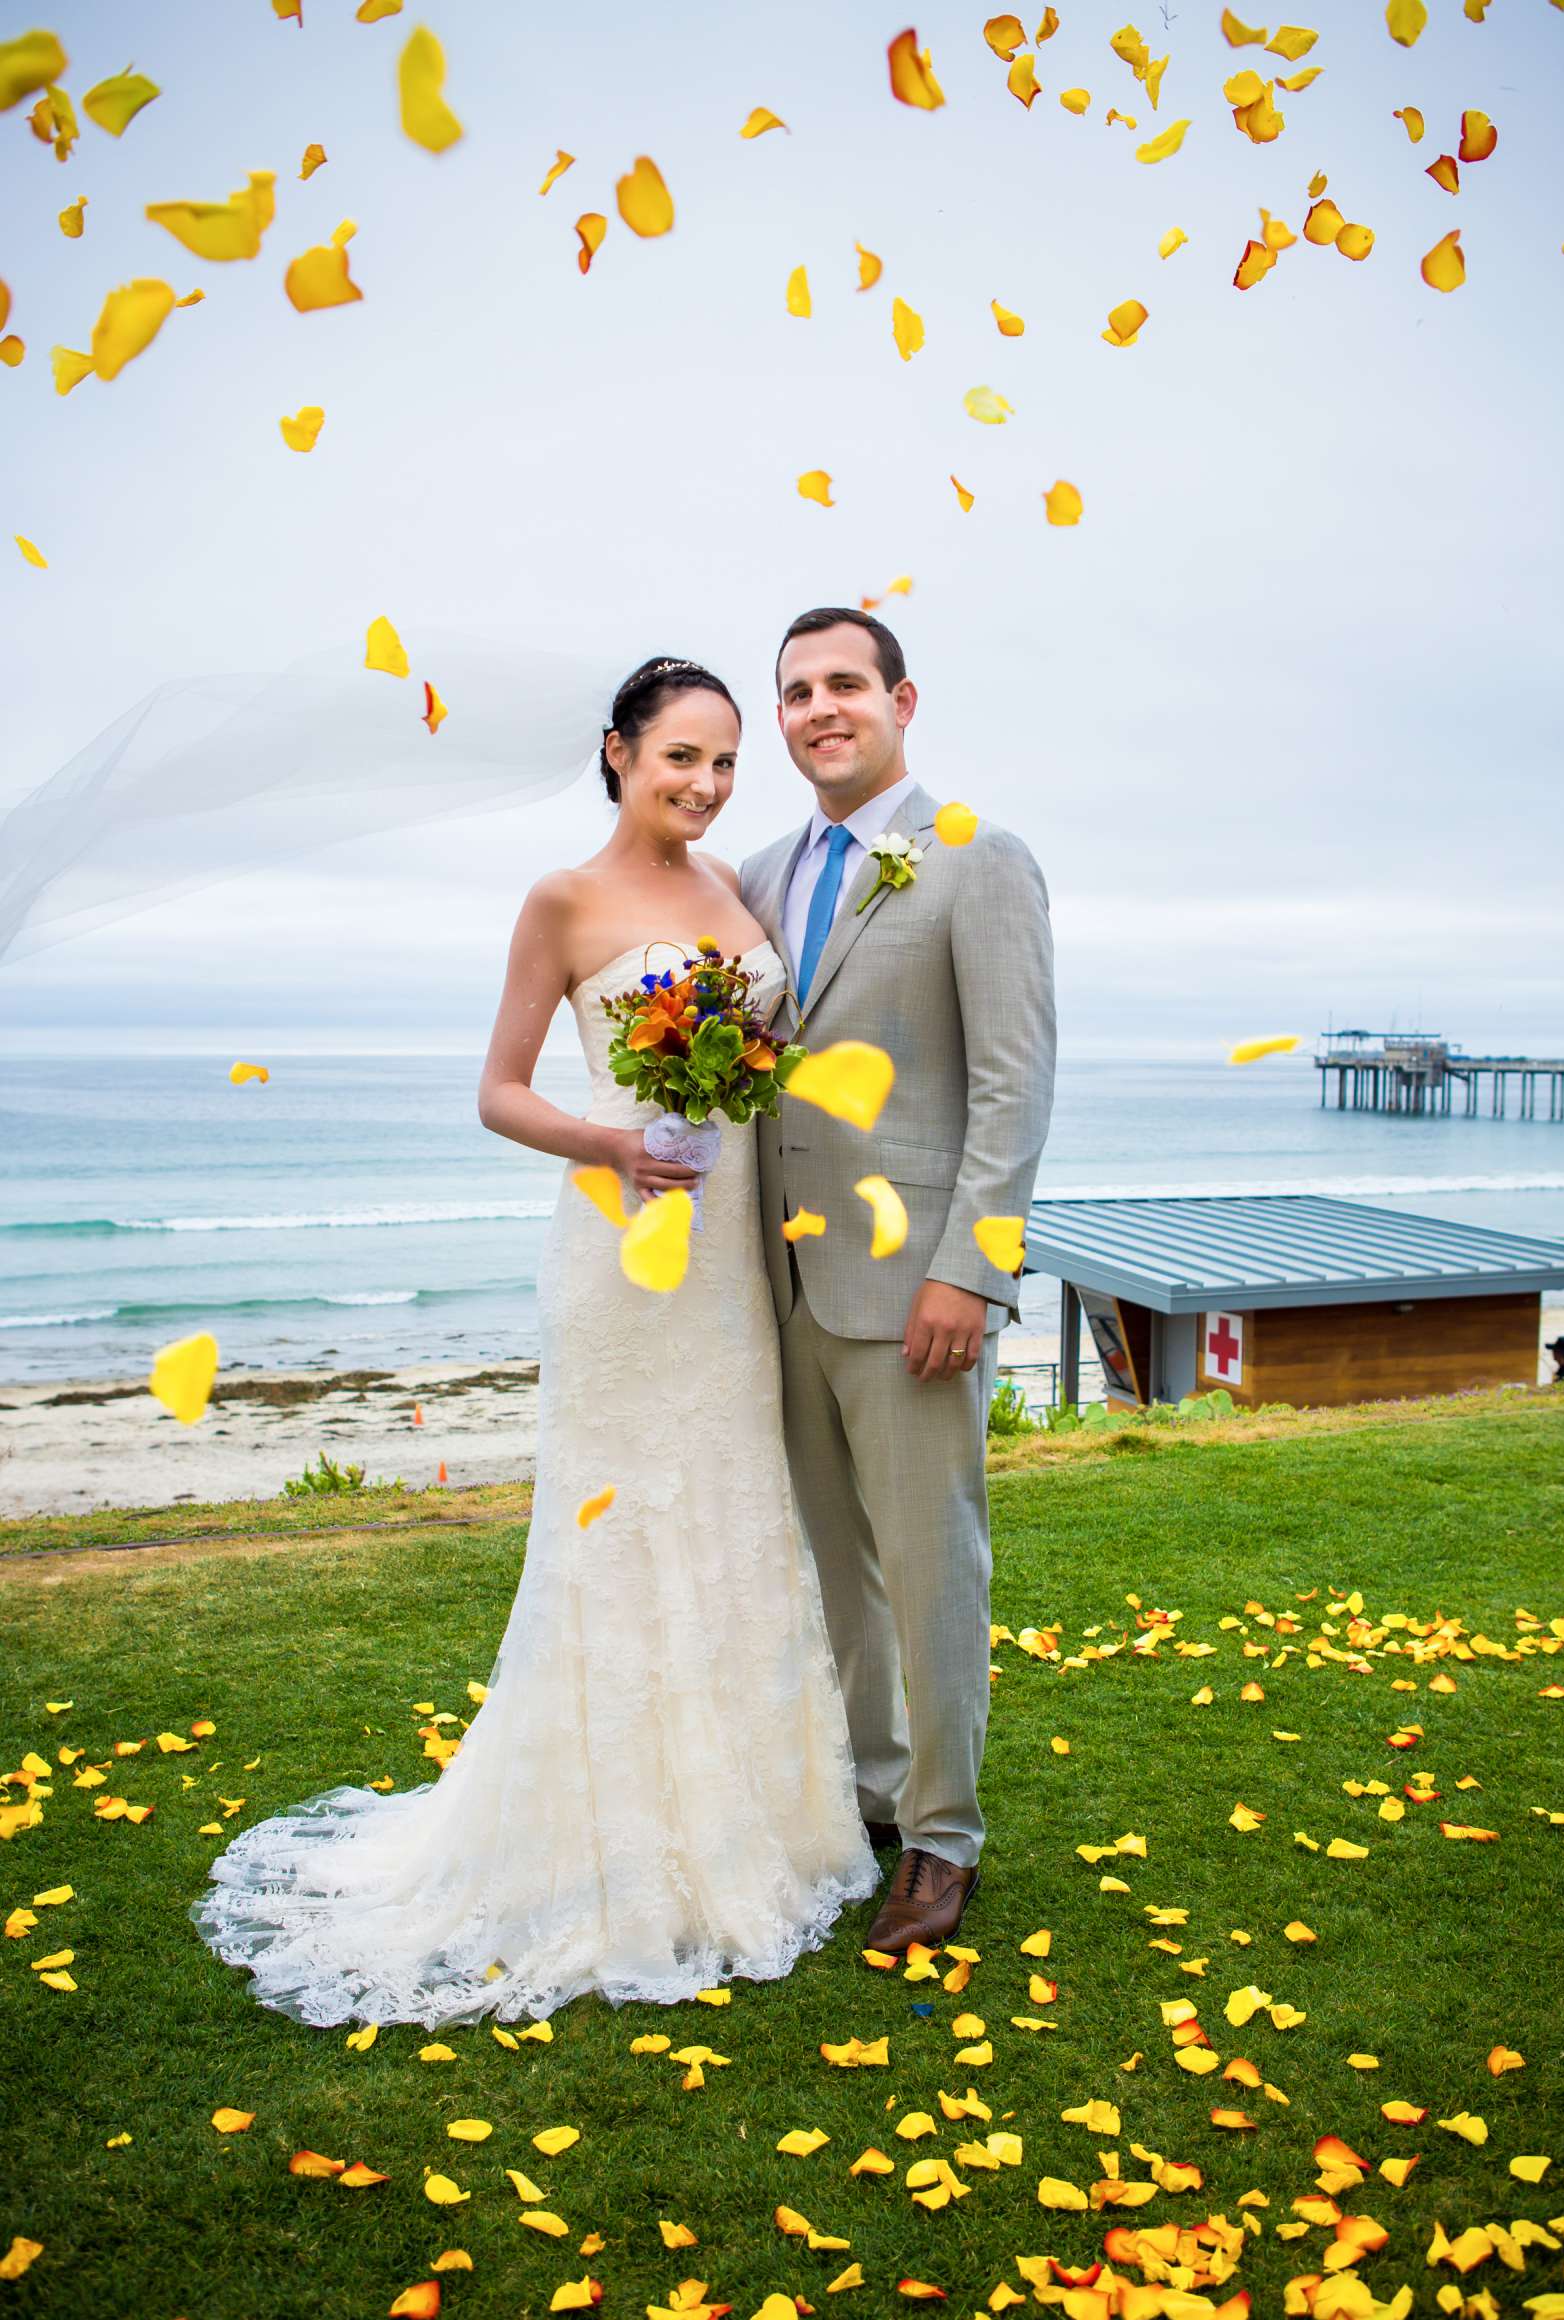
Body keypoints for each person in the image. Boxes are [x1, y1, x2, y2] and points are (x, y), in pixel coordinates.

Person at [189, 656, 878, 2028]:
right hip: (621, 1257)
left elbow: (775, 1057)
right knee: (618, 1528)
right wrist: (614, 1140)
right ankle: (604, 1848)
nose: (707, 783)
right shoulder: (562, 901)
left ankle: (758, 1828)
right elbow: (499, 1093)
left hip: (729, 1268)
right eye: (682, 755)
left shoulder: (735, 893)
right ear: (618, 753)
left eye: (727, 762)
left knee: (732, 1513)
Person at [740, 607, 1056, 1957]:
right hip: (777, 1285)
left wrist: (970, 1271)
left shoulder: (974, 859)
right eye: (798, 690)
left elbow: (1013, 1080)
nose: (822, 708)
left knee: (932, 1569)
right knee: (836, 1568)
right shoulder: (754, 875)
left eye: (846, 684)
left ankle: (944, 1839)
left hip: (914, 1285)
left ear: (901, 700)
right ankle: (874, 1796)